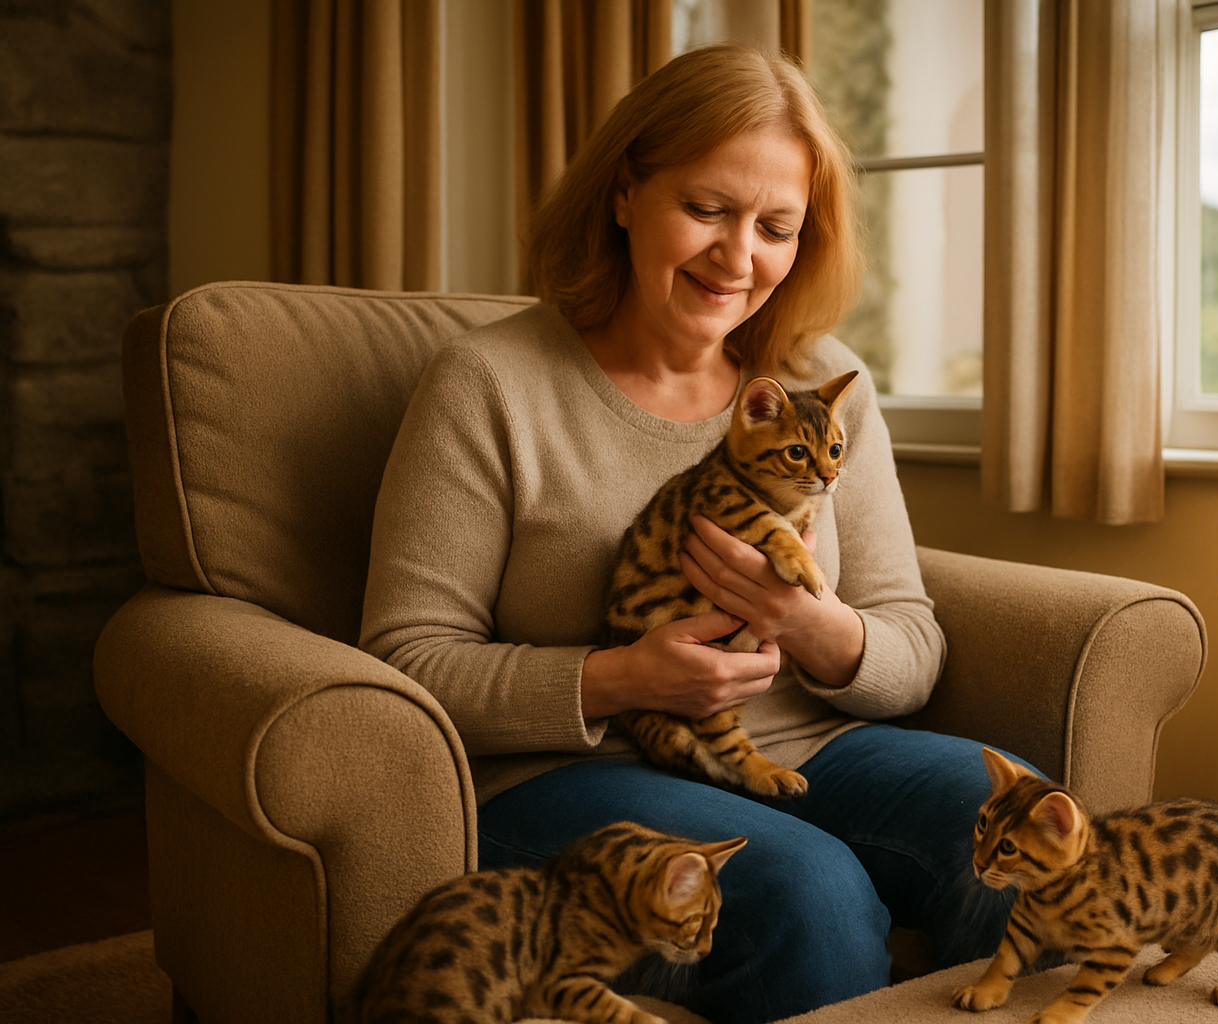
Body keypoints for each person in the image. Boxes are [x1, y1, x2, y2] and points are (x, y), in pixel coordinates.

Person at [359, 44, 1039, 1024]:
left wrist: (813, 624)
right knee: (813, 893)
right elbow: (405, 663)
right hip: (577, 773)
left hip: (814, 743)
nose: (739, 257)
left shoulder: (821, 383)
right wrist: (626, 677)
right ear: (625, 190)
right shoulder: (490, 384)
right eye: (707, 209)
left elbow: (911, 639)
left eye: (777, 226)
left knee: (1019, 821)